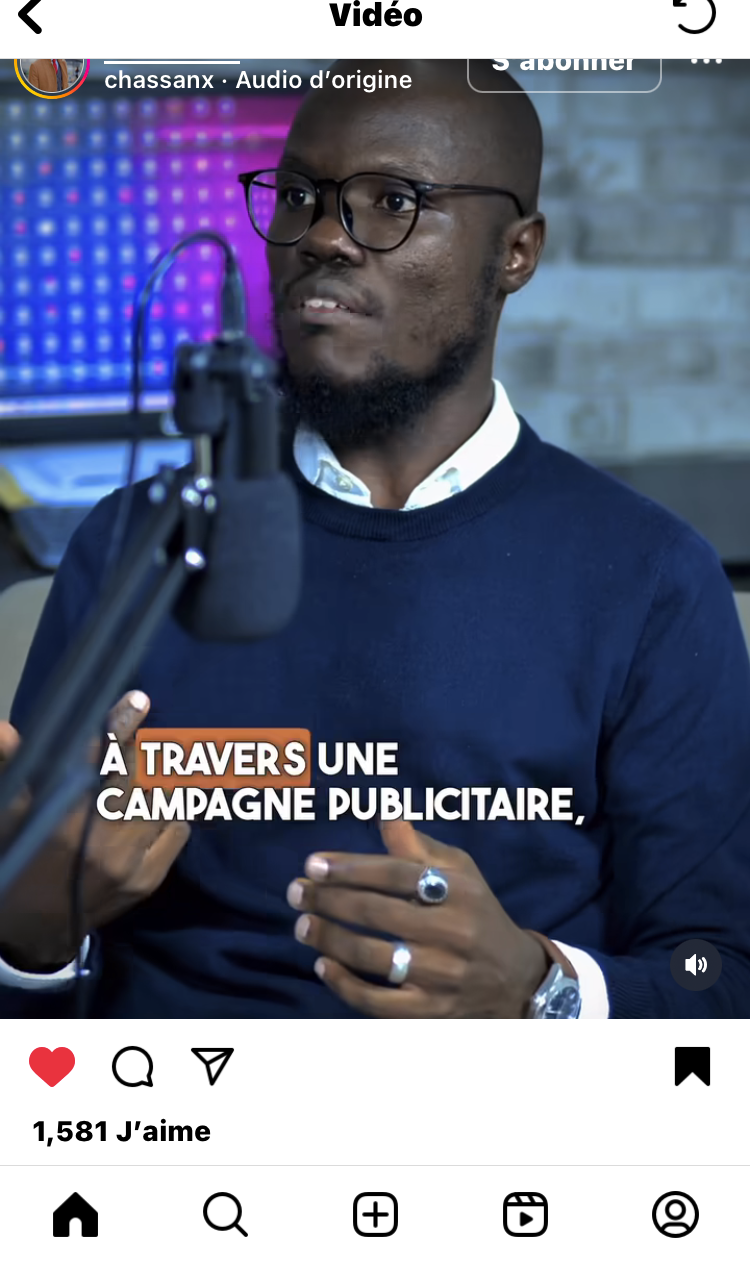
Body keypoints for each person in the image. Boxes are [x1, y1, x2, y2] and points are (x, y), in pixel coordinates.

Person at [1, 59, 749, 1019]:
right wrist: (31, 936)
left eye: (393, 201)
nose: (322, 237)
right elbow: (35, 960)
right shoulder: (131, 543)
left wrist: (540, 991)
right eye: (300, 197)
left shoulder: (649, 577)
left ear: (516, 253)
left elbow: (718, 975)